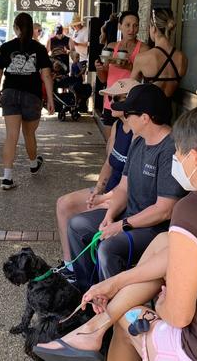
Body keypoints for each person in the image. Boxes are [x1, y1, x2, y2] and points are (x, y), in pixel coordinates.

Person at [35, 106, 197, 361]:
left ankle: (94, 329)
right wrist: (114, 283)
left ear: (195, 158)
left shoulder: (194, 208)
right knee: (162, 241)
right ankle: (93, 329)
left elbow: (179, 315)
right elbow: (172, 255)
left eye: (178, 152)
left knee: (129, 315)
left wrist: (161, 302)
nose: (175, 158)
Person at [66, 83, 186, 293]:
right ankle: (87, 293)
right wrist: (109, 216)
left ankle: (116, 311)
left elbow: (164, 210)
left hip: (155, 229)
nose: (125, 118)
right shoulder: (138, 141)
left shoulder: (170, 149)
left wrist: (120, 226)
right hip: (129, 217)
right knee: (77, 225)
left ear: (145, 118)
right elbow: (123, 187)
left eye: (129, 113)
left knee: (108, 249)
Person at [55, 78, 138, 283]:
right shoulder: (118, 126)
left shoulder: (140, 133)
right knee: (64, 204)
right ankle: (71, 267)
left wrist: (106, 199)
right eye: (109, 98)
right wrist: (98, 190)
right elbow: (108, 164)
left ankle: (85, 273)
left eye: (115, 98)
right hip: (109, 190)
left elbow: (131, 184)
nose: (110, 102)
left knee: (81, 223)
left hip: (124, 197)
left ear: (131, 101)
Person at [0, 12, 55, 190]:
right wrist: (50, 99)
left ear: (16, 28)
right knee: (29, 134)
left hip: (10, 93)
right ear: (32, 29)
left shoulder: (5, 47)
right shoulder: (40, 48)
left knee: (11, 136)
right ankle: (33, 164)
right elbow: (47, 76)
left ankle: (7, 178)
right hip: (32, 95)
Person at [95, 11, 150, 138]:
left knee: (131, 143)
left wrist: (129, 66)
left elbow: (147, 77)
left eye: (135, 25)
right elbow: (103, 79)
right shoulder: (111, 47)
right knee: (110, 141)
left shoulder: (144, 49)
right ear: (120, 26)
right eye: (128, 25)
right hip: (111, 100)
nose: (132, 29)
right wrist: (99, 69)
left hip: (132, 101)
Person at [131, 8, 187, 98]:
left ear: (153, 28)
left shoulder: (142, 58)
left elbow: (130, 90)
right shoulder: (182, 58)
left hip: (147, 111)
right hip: (167, 111)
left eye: (149, 26)